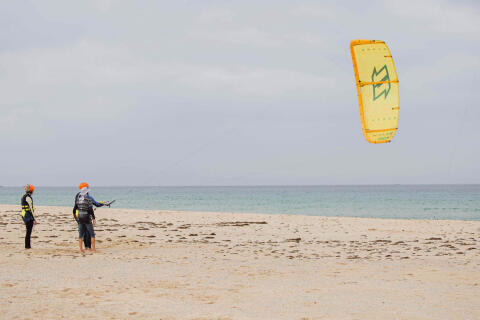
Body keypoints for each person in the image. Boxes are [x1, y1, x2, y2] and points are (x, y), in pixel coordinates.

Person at [73, 182, 103, 253]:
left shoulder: (78, 197)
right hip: (86, 216)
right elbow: (92, 208)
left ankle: (82, 249)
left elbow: (74, 208)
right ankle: (90, 248)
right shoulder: (89, 198)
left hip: (79, 216)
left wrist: (75, 217)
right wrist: (101, 204)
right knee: (90, 233)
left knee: (81, 233)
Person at [21, 184, 37, 249]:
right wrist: (34, 219)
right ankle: (27, 246)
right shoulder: (28, 198)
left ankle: (27, 246)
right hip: (28, 216)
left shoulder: (23, 196)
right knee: (28, 232)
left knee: (28, 231)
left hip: (24, 215)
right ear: (31, 191)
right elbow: (30, 209)